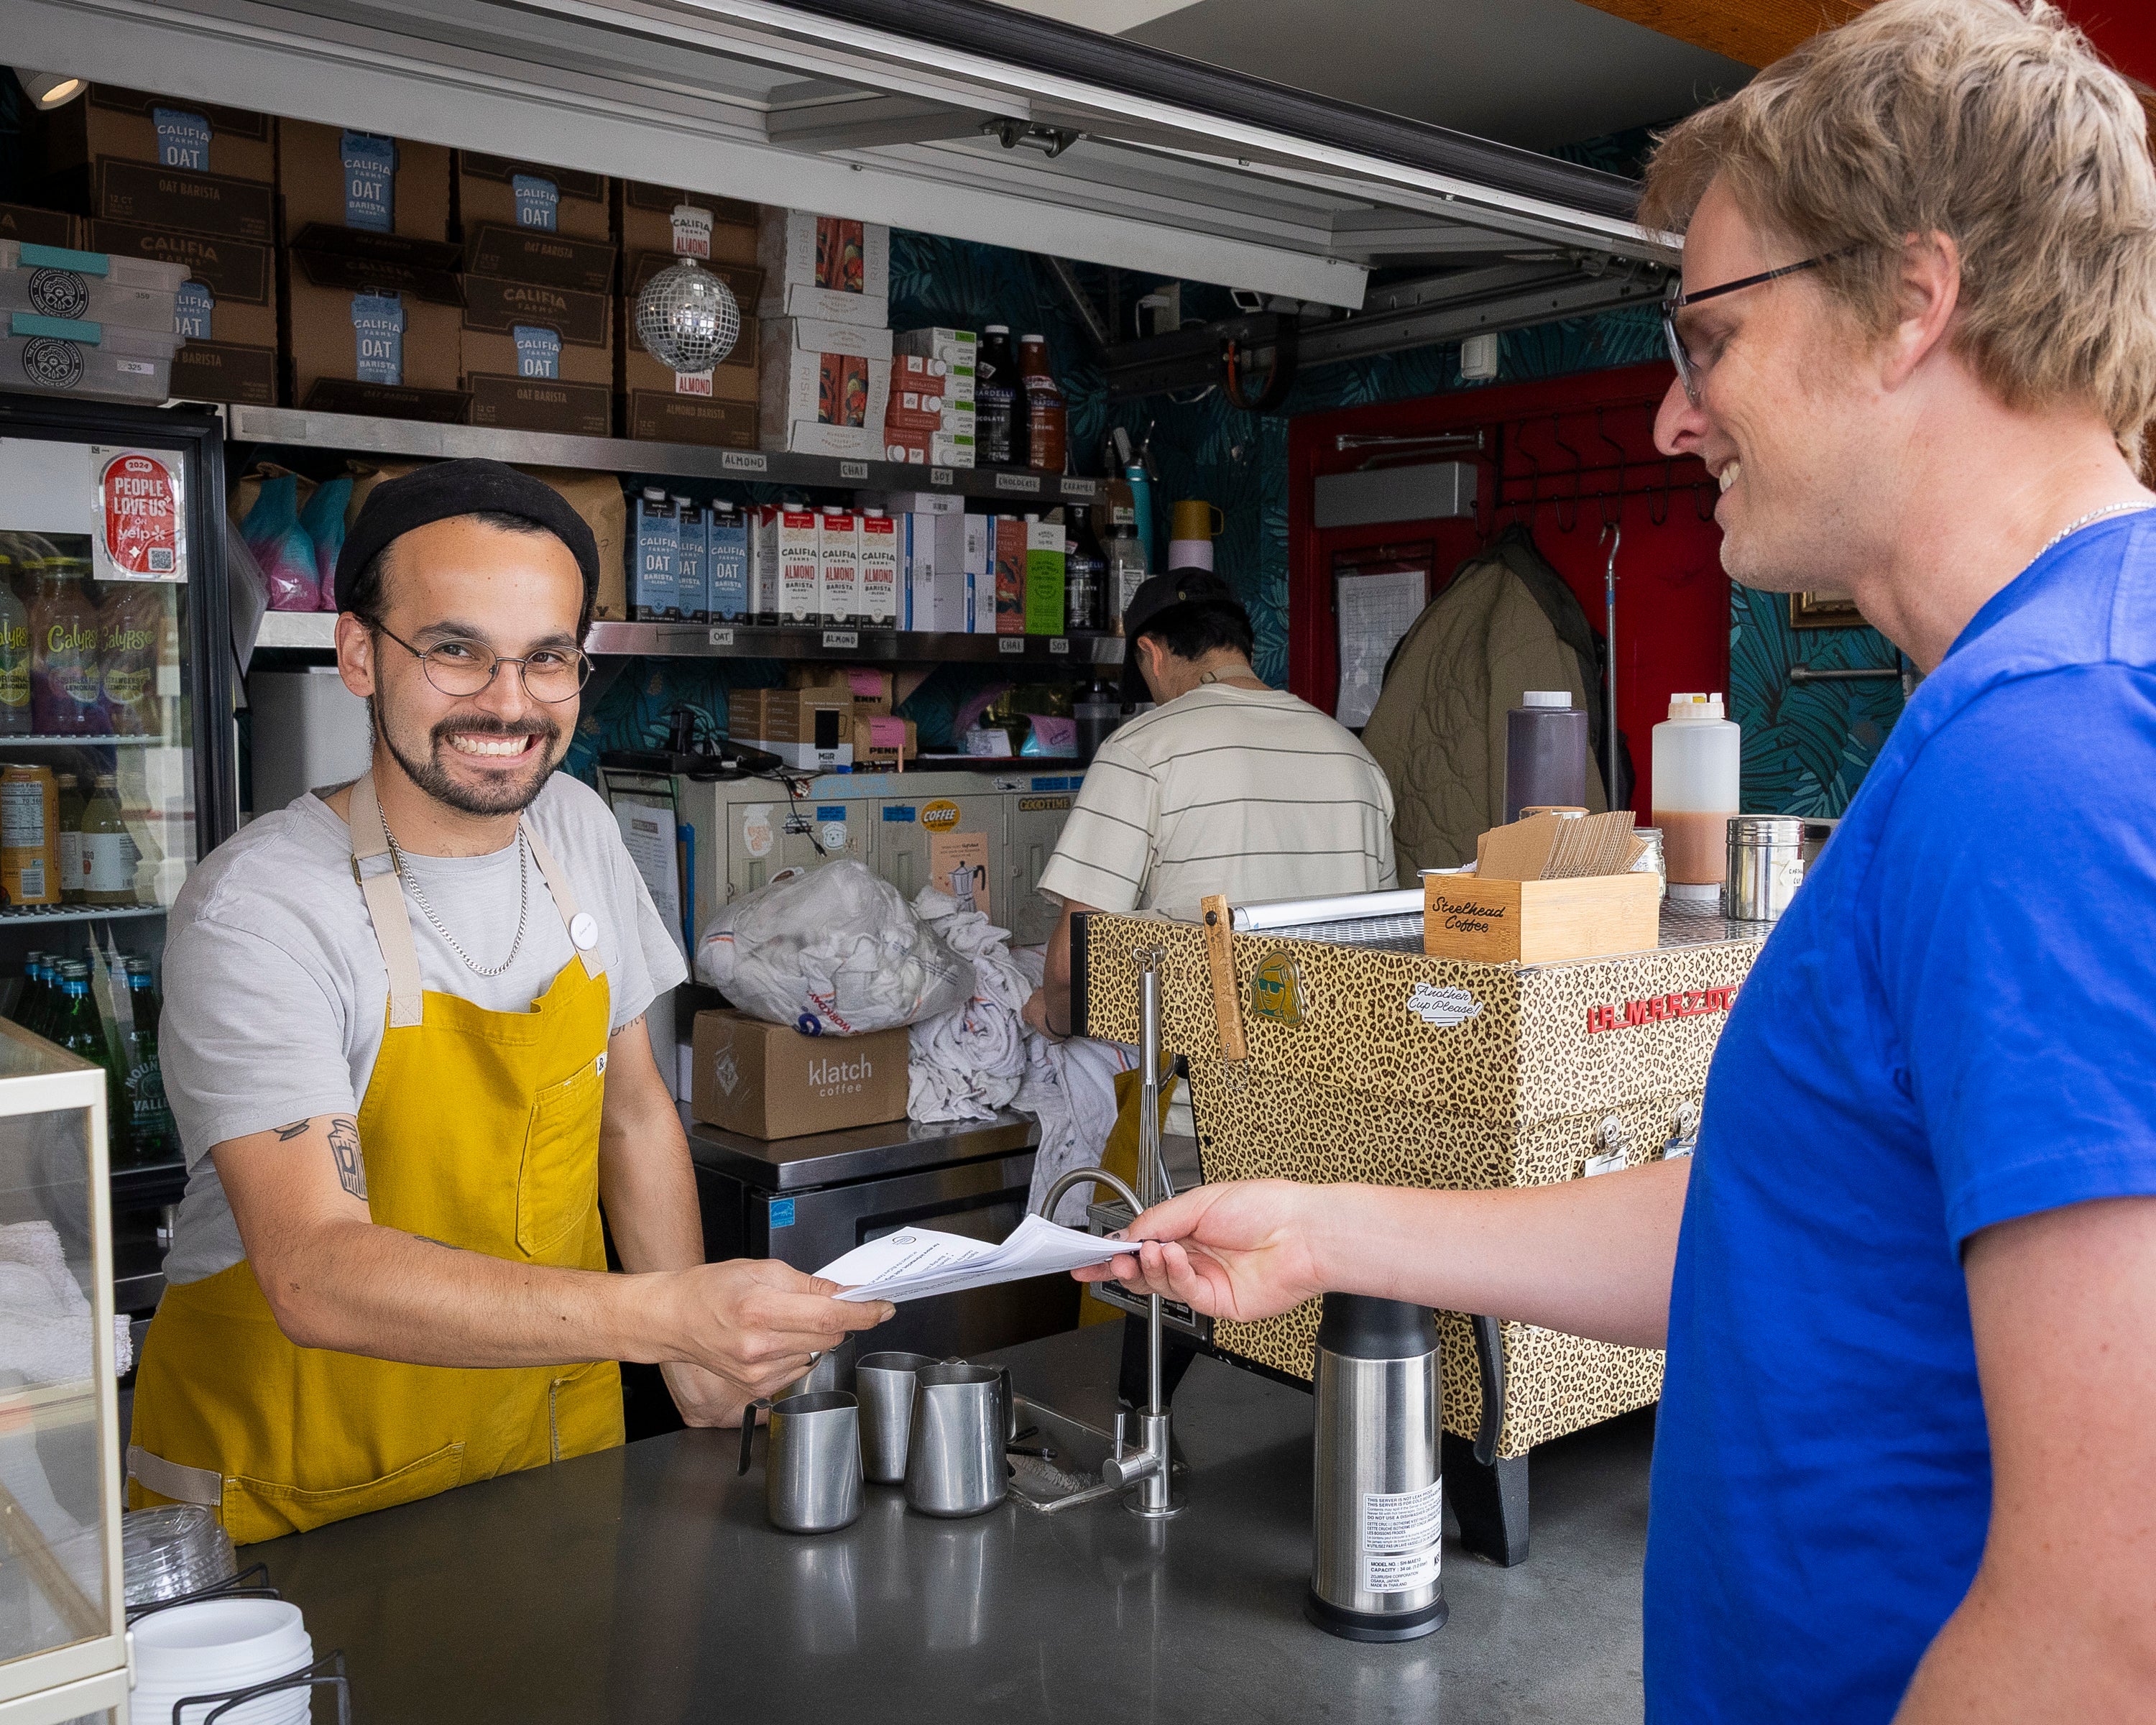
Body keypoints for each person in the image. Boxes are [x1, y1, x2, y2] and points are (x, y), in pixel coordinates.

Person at [1080, 2, 2156, 1719]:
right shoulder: (2028, 709)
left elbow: (2109, 1625)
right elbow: (1783, 1227)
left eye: (1705, 335)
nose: (1672, 416)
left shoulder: (2052, 760)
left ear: (1910, 302)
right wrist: (1327, 1224)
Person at [129, 461, 890, 1543]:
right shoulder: (260, 909)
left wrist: (692, 1362)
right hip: (298, 1513)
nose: (509, 703)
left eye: (547, 660)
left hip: (536, 1470)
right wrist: (661, 1314)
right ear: (359, 654)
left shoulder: (575, 830)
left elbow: (630, 1113)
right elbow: (314, 1272)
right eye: (455, 651)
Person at [1023, 569, 1396, 1039]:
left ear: (1150, 654)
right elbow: (1391, 948)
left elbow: (1071, 969)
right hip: (1339, 1088)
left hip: (1206, 1098)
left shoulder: (1142, 751)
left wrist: (1050, 1017)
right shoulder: (1356, 758)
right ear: (1241, 646)